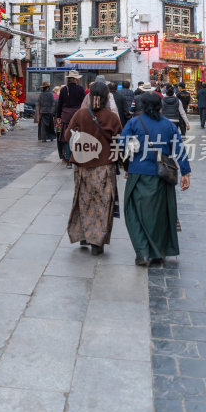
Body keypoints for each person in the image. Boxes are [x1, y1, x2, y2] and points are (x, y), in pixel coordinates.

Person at [121, 92, 191, 266]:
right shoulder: (168, 126)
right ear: (160, 105)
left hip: (138, 173)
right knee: (159, 215)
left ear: (142, 106)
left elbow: (122, 145)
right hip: (162, 175)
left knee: (134, 213)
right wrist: (186, 173)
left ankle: (142, 253)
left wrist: (127, 164)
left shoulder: (134, 123)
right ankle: (157, 252)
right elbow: (180, 149)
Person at [64, 82, 123, 256]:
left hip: (82, 166)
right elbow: (119, 142)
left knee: (83, 200)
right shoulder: (112, 117)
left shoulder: (80, 114)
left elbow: (68, 136)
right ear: (107, 97)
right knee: (102, 204)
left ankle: (83, 235)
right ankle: (97, 242)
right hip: (104, 166)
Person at [55, 70, 86, 168]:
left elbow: (59, 104)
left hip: (66, 116)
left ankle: (68, 160)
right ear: (75, 79)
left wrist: (58, 117)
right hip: (78, 115)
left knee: (67, 137)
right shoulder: (81, 89)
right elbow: (84, 104)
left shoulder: (64, 90)